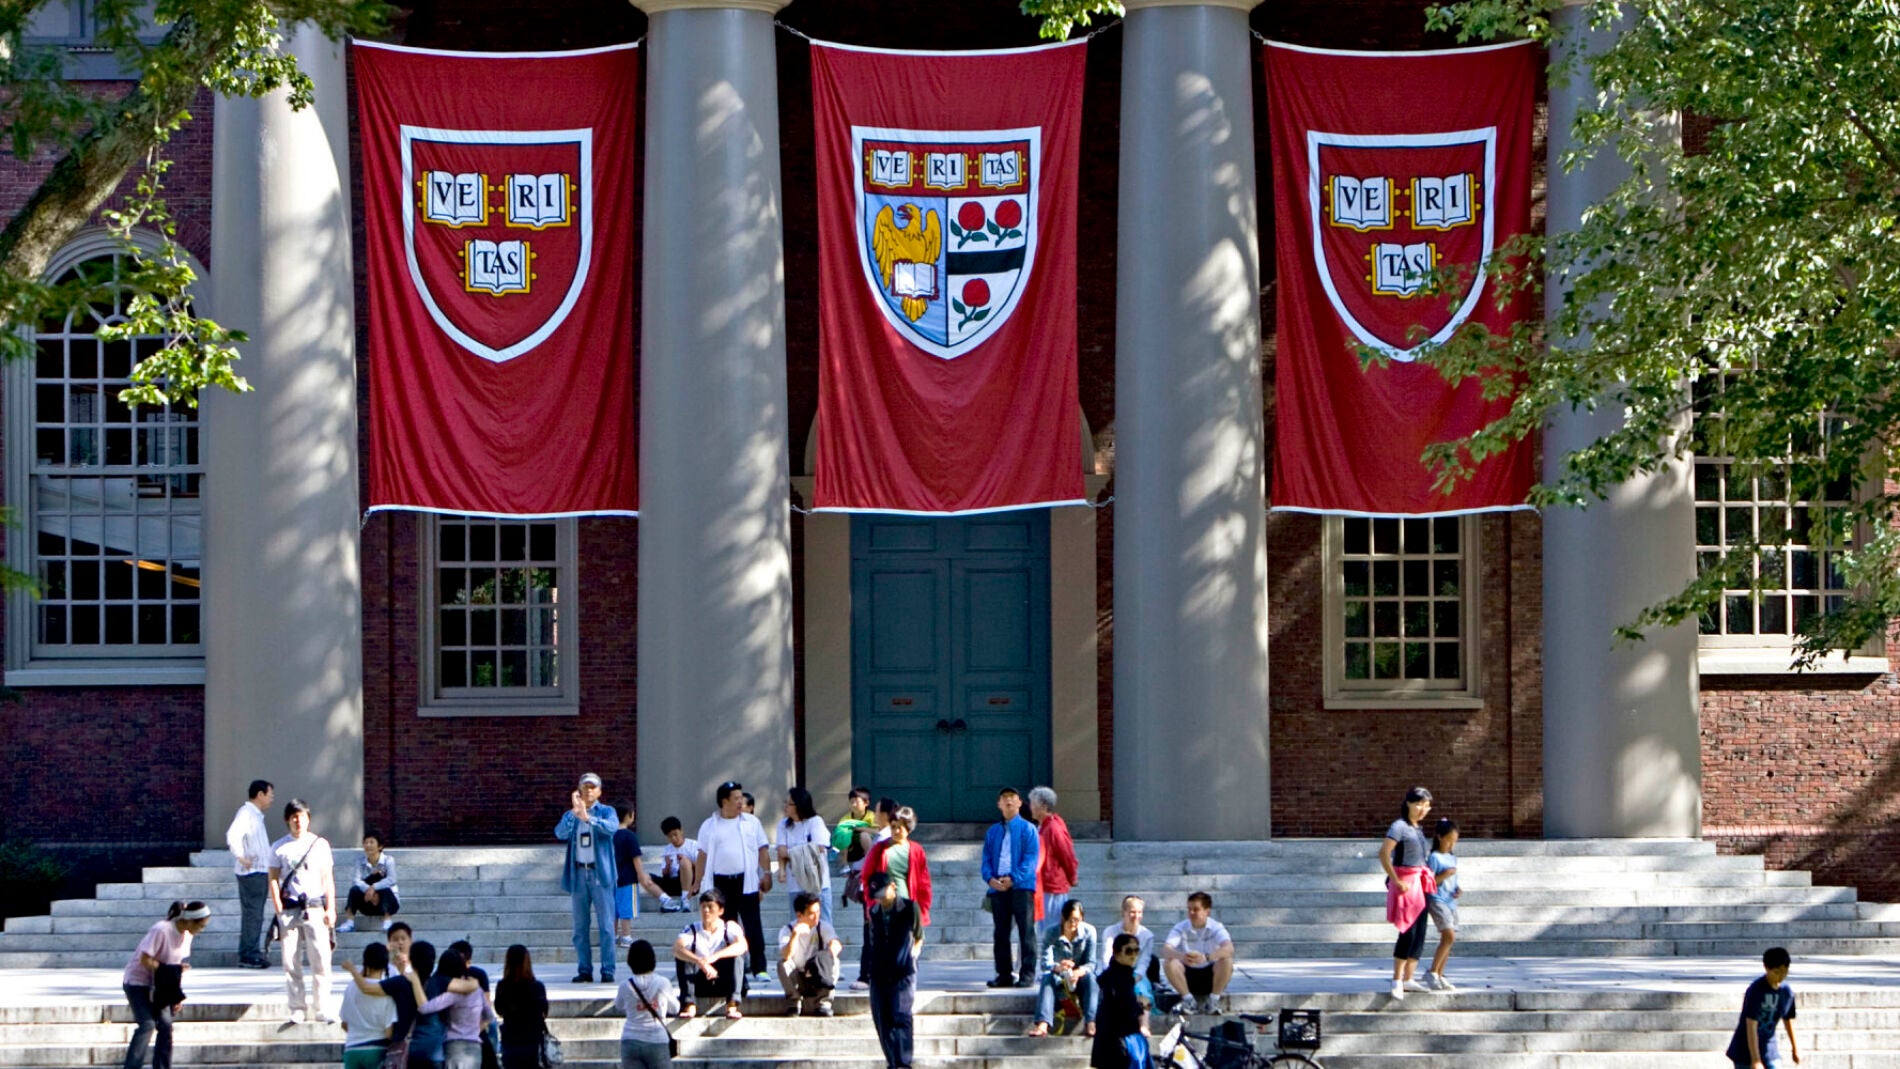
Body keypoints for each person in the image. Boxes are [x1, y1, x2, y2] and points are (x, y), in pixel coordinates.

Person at [695, 780, 772, 983]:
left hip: (746, 881)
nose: (740, 802)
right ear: (724, 801)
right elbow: (702, 855)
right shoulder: (709, 826)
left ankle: (759, 967)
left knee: (753, 924)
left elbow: (763, 849)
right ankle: (730, 967)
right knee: (725, 927)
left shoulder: (751, 823)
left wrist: (767, 873)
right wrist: (697, 881)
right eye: (736, 799)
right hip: (719, 883)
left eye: (741, 798)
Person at [270, 797, 337, 1024]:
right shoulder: (279, 846)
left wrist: (332, 907)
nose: (298, 821)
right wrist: (277, 904)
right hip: (290, 908)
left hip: (315, 906)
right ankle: (297, 1007)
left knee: (321, 959)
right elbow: (273, 877)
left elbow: (328, 878)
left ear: (308, 819)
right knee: (291, 961)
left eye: (302, 817)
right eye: (294, 817)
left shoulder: (320, 845)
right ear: (287, 820)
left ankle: (322, 1007)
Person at [120, 900, 209, 1069]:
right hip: (138, 982)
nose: (201, 930)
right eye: (201, 926)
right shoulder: (162, 930)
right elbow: (145, 959)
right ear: (190, 920)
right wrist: (165, 971)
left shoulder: (187, 936)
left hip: (161, 985)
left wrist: (176, 996)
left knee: (166, 1025)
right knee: (147, 1024)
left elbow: (175, 966)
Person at [555, 771, 620, 983]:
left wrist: (589, 819)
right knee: (580, 927)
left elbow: (612, 829)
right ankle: (584, 969)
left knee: (606, 926)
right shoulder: (571, 813)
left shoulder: (606, 811)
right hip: (578, 872)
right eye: (585, 787)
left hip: (600, 874)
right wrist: (575, 813)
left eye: (593, 787)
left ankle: (608, 969)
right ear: (579, 790)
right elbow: (560, 833)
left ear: (599, 791)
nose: (589, 791)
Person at [1379, 786, 1434, 1000]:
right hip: (1406, 882)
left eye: (1427, 806)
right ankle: (1397, 979)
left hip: (1421, 883)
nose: (1422, 809)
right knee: (1408, 931)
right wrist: (1396, 880)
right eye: (1419, 803)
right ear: (1409, 803)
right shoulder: (1399, 827)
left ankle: (1409, 978)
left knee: (1420, 932)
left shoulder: (1417, 828)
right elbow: (1384, 853)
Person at [982, 787, 1040, 988]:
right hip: (998, 887)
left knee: (1026, 932)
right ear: (998, 804)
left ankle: (1027, 974)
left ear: (1019, 803)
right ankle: (1004, 974)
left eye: (1012, 798)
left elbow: (1031, 859)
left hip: (1021, 887)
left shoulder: (1028, 830)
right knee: (1001, 933)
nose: (1008, 802)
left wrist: (1014, 878)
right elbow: (987, 859)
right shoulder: (993, 832)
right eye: (1004, 799)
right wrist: (990, 879)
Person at [864, 872, 922, 1069]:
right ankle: (892, 1062)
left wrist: (912, 954)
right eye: (876, 896)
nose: (881, 899)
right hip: (879, 971)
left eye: (883, 893)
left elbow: (918, 935)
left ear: (893, 887)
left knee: (901, 1015)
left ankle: (904, 1063)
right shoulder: (874, 912)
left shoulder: (909, 907)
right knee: (882, 1018)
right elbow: (872, 940)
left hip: (903, 972)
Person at [672, 888, 748, 1021]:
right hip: (700, 980)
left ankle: (732, 1005)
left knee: (737, 957)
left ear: (720, 910)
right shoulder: (692, 929)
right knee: (683, 957)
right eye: (703, 907)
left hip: (724, 979)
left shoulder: (729, 927)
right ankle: (689, 1004)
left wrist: (716, 956)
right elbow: (677, 948)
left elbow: (742, 946)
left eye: (710, 907)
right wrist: (700, 962)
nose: (706, 911)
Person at [1028, 899, 1099, 1038]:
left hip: (1080, 977)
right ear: (1063, 918)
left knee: (1091, 979)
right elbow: (1044, 963)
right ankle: (1042, 1023)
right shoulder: (1051, 933)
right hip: (1059, 977)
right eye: (1070, 920)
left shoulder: (1089, 932)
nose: (1073, 924)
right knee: (1047, 978)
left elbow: (1091, 963)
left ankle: (1091, 1021)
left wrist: (1078, 972)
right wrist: (1059, 967)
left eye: (1077, 920)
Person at [412, 950, 495, 1069]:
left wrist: (414, 980)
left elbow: (425, 1008)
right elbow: (489, 1016)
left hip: (454, 1046)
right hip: (475, 1047)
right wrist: (475, 1028)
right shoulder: (478, 991)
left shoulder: (454, 994)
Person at [223, 779, 274, 968]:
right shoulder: (246, 814)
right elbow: (232, 835)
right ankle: (249, 954)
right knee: (253, 914)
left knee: (254, 914)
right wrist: (241, 857)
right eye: (270, 795)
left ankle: (250, 952)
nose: (271, 799)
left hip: (259, 871)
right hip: (252, 872)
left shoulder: (255, 815)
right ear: (260, 794)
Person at [1159, 892, 1233, 1016]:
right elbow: (1166, 950)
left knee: (1226, 960)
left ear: (1207, 911)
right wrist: (1182, 956)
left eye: (1196, 909)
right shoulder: (1181, 927)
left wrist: (1207, 957)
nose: (1191, 913)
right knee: (1169, 962)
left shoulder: (1216, 927)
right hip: (1188, 976)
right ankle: (1188, 1001)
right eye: (1189, 909)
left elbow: (1229, 948)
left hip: (1210, 975)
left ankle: (1213, 1001)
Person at [861, 806, 933, 932]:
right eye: (893, 826)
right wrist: (872, 902)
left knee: (906, 946)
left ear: (909, 829)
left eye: (900, 827)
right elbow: (866, 877)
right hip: (884, 906)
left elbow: (924, 883)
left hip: (907, 905)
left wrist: (922, 910)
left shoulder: (916, 850)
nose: (896, 831)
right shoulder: (879, 849)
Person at [1727, 947, 1799, 1069]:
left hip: (1769, 1049)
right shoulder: (1756, 990)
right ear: (1766, 968)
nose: (1780, 976)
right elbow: (1751, 1025)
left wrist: (1795, 1047)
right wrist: (1755, 1060)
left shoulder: (1786, 992)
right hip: (1745, 1051)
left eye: (1784, 971)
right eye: (1776, 972)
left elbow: (1788, 1019)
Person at [614, 940, 678, 1069]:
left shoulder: (625, 985)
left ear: (630, 961)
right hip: (657, 1039)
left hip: (630, 1038)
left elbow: (618, 1005)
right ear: (652, 960)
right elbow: (675, 1008)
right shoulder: (662, 983)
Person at [777, 891, 842, 1017]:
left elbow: (836, 944)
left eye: (818, 912)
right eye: (811, 914)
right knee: (782, 964)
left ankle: (824, 1003)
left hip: (818, 975)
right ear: (799, 915)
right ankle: (794, 1002)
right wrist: (795, 935)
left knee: (834, 961)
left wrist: (823, 959)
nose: (816, 917)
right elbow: (786, 955)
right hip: (798, 977)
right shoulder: (787, 930)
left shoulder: (823, 926)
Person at [1092, 933, 1151, 1069]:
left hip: (1113, 1040)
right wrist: (1141, 1004)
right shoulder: (1118, 978)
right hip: (1117, 1041)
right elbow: (1124, 1009)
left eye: (1137, 950)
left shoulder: (1118, 975)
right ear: (1117, 952)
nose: (1134, 955)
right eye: (1129, 951)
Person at [777, 787, 832, 927]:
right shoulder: (783, 825)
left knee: (823, 923)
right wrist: (782, 871)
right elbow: (781, 849)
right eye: (785, 803)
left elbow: (819, 847)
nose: (785, 807)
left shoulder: (815, 821)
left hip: (817, 882)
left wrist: (791, 853)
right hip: (795, 881)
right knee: (797, 923)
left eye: (789, 804)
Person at [1028, 786, 1079, 939]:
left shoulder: (1053, 828)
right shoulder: (1042, 827)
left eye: (1032, 803)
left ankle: (1053, 961)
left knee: (1051, 929)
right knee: (1044, 929)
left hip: (1052, 887)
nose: (1030, 807)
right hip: (1042, 885)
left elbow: (1067, 854)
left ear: (1043, 806)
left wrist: (1072, 876)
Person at [339, 941, 399, 1069]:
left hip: (351, 1050)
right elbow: (389, 1032)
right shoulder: (385, 992)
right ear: (385, 965)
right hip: (377, 1049)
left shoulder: (350, 987)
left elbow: (344, 1024)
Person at [613, 803, 665, 947]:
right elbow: (636, 857)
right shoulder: (630, 837)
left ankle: (612, 936)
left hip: (610, 880)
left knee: (613, 910)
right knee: (626, 910)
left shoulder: (609, 836)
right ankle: (626, 936)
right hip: (628, 879)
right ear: (628, 815)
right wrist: (641, 874)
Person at [494, 944, 548, 1069]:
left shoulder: (503, 986)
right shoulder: (537, 987)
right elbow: (544, 1011)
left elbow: (499, 1010)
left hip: (511, 1039)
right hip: (532, 1040)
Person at [1424, 817, 1461, 992]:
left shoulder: (1452, 857)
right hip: (1437, 899)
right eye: (1448, 840)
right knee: (1449, 936)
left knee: (1449, 939)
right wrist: (1445, 875)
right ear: (1440, 837)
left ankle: (1440, 973)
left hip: (1451, 901)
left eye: (1454, 842)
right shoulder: (1434, 858)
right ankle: (1432, 971)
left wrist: (1457, 889)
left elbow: (1454, 879)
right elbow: (1429, 882)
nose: (1451, 845)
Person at [339, 831, 400, 933]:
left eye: (372, 842)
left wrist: (374, 887)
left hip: (389, 903)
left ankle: (387, 921)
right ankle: (349, 922)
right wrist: (368, 889)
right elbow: (356, 880)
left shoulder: (388, 860)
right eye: (366, 843)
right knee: (354, 890)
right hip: (367, 902)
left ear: (380, 846)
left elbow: (392, 879)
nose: (368, 845)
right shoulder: (360, 861)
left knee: (383, 884)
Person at [1096, 895, 1158, 990]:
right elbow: (1106, 958)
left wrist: (1134, 979)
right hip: (1113, 972)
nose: (1136, 916)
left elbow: (1143, 962)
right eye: (1132, 912)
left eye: (1139, 912)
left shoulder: (1147, 935)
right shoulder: (1109, 932)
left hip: (1136, 974)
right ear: (1123, 912)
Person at [653, 817, 699, 913]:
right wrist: (668, 865)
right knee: (648, 877)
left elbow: (700, 866)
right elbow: (665, 874)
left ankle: (685, 899)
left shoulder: (693, 845)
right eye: (670, 836)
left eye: (675, 835)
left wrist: (686, 861)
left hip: (690, 883)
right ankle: (668, 902)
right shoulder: (667, 849)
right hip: (674, 882)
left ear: (681, 831)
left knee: (684, 861)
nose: (674, 839)